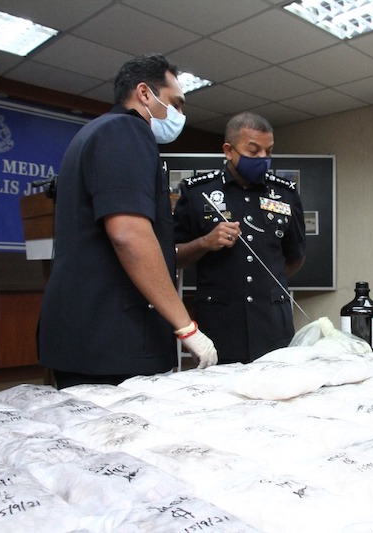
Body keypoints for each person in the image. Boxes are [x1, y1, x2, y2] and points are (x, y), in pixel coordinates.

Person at [38, 54, 217, 389]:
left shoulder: (98, 131)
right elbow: (128, 234)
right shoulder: (125, 132)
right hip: (111, 339)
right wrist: (186, 327)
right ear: (145, 94)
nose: (180, 115)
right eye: (175, 103)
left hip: (93, 335)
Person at [174, 111, 306, 364]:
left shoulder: (285, 194)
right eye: (253, 151)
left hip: (272, 322)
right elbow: (173, 256)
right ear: (229, 150)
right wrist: (205, 242)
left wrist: (263, 283)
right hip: (220, 322)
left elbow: (296, 256)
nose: (263, 158)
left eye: (268, 151)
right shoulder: (198, 193)